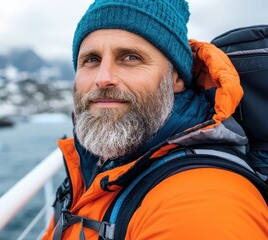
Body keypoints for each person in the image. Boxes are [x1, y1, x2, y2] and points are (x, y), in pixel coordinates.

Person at [42, 0, 268, 239]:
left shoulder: (199, 207)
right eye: (91, 60)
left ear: (176, 78)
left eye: (130, 57)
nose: (103, 78)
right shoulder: (98, 163)